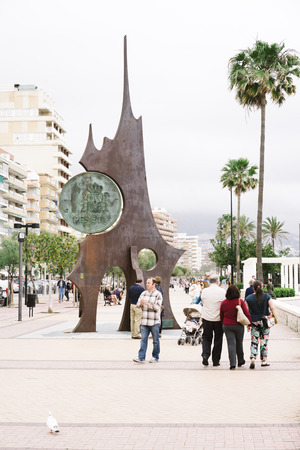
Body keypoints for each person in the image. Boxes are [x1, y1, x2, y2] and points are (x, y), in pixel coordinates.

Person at [245, 280, 278, 369]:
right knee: (264, 342)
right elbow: (272, 308)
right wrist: (276, 318)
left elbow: (247, 313)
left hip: (254, 323)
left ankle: (253, 358)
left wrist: (248, 324)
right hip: (265, 323)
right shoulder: (267, 297)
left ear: (253, 288)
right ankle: (264, 361)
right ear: (262, 287)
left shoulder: (248, 298)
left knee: (254, 342)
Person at [220, 284, 252, 370]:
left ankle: (232, 364)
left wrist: (223, 324)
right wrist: (249, 323)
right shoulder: (240, 301)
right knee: (239, 343)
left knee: (231, 344)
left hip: (227, 325)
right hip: (239, 325)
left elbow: (221, 315)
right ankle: (240, 360)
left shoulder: (224, 303)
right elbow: (246, 313)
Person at [133, 278, 162, 363]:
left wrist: (147, 304)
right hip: (144, 321)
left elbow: (157, 307)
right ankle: (141, 357)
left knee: (155, 340)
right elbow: (138, 305)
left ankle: (155, 356)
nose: (147, 284)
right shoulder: (143, 293)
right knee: (143, 340)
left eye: (149, 283)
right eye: (146, 283)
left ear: (154, 284)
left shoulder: (158, 294)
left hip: (154, 322)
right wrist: (141, 304)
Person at [201, 274, 225, 366]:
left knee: (206, 337)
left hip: (207, 318)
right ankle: (216, 360)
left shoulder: (204, 291)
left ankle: (205, 355)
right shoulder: (222, 291)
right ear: (218, 281)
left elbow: (203, 302)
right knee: (218, 339)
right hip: (219, 319)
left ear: (210, 281)